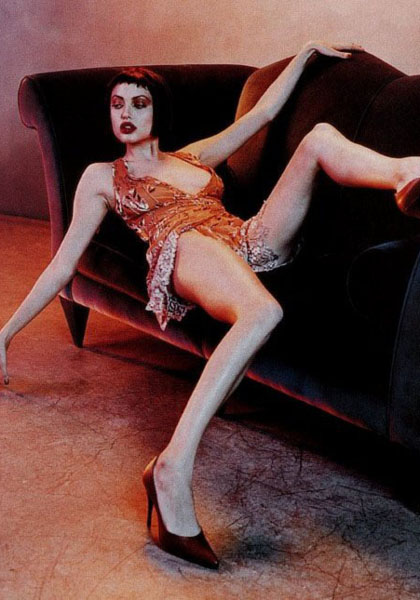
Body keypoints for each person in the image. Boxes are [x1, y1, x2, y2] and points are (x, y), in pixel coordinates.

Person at [1, 40, 420, 570]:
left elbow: (263, 114)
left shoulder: (193, 157)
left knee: (318, 138)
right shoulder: (102, 177)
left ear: (156, 113)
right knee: (263, 312)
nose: (126, 114)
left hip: (242, 239)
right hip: (184, 248)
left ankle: (407, 173)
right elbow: (64, 264)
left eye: (139, 104)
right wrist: (5, 333)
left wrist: (305, 54)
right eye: (117, 105)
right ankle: (171, 468)